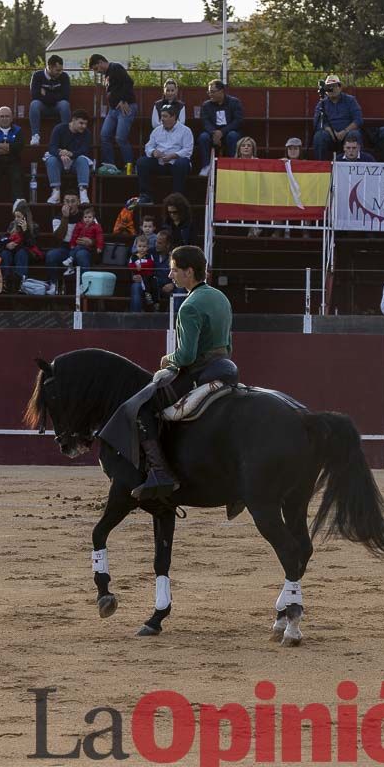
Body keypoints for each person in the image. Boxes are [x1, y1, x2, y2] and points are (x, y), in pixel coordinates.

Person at [128, 245, 233, 500]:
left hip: (200, 370)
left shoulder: (189, 306)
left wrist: (168, 358)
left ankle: (161, 472)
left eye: (174, 270)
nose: (170, 275)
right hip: (225, 366)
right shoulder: (220, 297)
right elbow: (228, 343)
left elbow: (186, 356)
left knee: (143, 408)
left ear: (188, 271)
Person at [89, 54, 137, 172]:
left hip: (125, 107)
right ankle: (110, 164)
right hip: (113, 109)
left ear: (100, 62)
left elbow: (129, 82)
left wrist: (123, 100)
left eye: (96, 68)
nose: (97, 72)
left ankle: (129, 166)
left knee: (120, 138)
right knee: (104, 135)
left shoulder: (115, 68)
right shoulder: (108, 74)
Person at [136, 104, 193, 203]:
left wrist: (173, 155)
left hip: (176, 162)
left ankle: (177, 197)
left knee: (182, 163)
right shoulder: (157, 131)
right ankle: (146, 196)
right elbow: (148, 146)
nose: (162, 119)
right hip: (160, 162)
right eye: (161, 116)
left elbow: (188, 150)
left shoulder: (185, 131)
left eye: (165, 116)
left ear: (173, 117)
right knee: (142, 162)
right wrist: (153, 152)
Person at [196, 80, 245, 176]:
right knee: (203, 137)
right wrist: (214, 133)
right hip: (212, 133)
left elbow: (238, 121)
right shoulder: (206, 105)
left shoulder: (234, 102)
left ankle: (233, 166)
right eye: (209, 92)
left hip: (229, 131)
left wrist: (222, 132)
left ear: (221, 91)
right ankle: (206, 166)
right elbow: (205, 122)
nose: (210, 94)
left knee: (233, 136)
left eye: (212, 92)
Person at [45, 109, 93, 206]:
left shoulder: (87, 133)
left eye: (85, 124)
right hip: (60, 161)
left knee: (83, 160)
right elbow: (52, 147)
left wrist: (71, 154)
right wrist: (61, 154)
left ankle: (83, 193)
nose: (84, 126)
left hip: (75, 162)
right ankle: (56, 192)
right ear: (73, 120)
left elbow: (84, 150)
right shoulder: (59, 128)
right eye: (81, 123)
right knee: (51, 160)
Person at [312, 74, 363, 160]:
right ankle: (321, 167)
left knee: (354, 135)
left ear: (340, 87)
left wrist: (344, 131)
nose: (332, 89)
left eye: (334, 86)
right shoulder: (322, 103)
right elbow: (317, 122)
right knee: (319, 136)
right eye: (329, 87)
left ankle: (355, 166)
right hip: (329, 135)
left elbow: (358, 120)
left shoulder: (350, 100)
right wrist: (332, 132)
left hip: (347, 132)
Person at [28, 55, 71, 145]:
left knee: (65, 104)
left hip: (57, 107)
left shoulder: (64, 77)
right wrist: (56, 96)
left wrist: (45, 94)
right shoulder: (37, 76)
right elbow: (35, 95)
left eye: (61, 69)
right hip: (42, 107)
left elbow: (66, 96)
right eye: (57, 70)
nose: (60, 72)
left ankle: (66, 136)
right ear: (50, 67)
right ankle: (35, 136)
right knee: (34, 104)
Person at [45, 193, 83, 292]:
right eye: (67, 201)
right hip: (65, 248)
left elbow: (97, 232)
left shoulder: (86, 216)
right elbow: (59, 236)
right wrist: (65, 218)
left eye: (73, 201)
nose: (70, 204)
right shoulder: (57, 218)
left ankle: (84, 285)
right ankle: (54, 284)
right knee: (51, 255)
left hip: (81, 248)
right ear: (63, 203)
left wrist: (91, 241)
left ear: (78, 202)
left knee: (82, 255)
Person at [0, 205, 40, 287]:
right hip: (12, 251)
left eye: (18, 217)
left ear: (25, 217)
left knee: (21, 253)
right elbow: (4, 238)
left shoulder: (34, 226)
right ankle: (5, 281)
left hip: (26, 252)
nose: (16, 219)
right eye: (15, 216)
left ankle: (21, 282)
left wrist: (25, 231)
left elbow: (32, 244)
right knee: (5, 254)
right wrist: (7, 245)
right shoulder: (12, 224)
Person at [128, 233, 157, 312]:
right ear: (136, 246)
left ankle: (152, 305)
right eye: (140, 246)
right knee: (138, 288)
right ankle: (135, 313)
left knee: (151, 288)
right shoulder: (134, 256)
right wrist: (136, 267)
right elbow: (130, 265)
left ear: (147, 247)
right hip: (138, 278)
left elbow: (151, 264)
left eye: (144, 246)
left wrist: (141, 265)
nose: (142, 248)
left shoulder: (149, 255)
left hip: (148, 278)